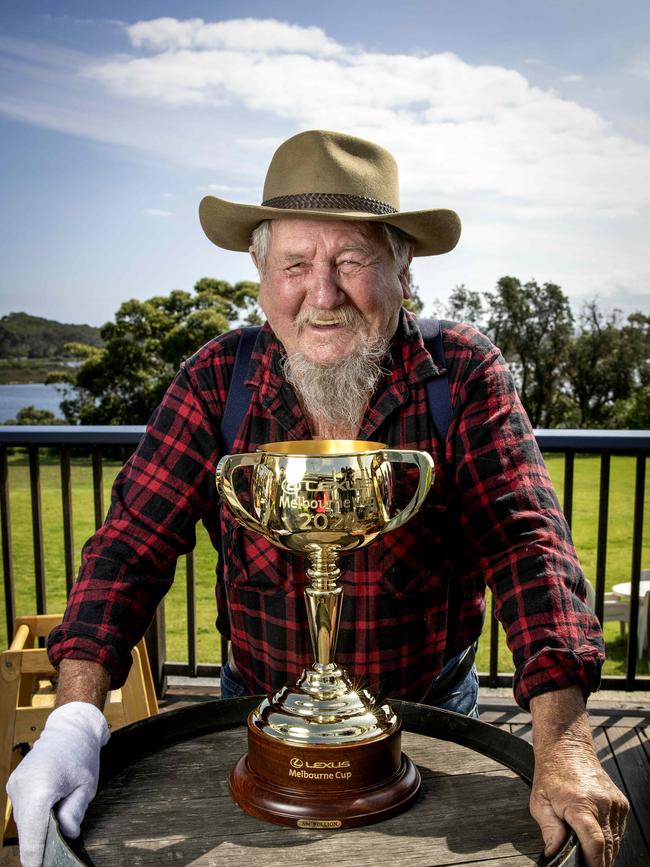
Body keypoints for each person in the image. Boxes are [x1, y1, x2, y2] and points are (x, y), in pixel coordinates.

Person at [7, 130, 627, 867]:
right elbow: (129, 546)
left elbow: (527, 546)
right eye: (296, 264)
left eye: (352, 261)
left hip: (429, 711)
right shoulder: (215, 379)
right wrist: (73, 720)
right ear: (260, 270)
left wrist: (563, 740)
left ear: (404, 265)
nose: (323, 295)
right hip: (258, 713)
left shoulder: (459, 371)